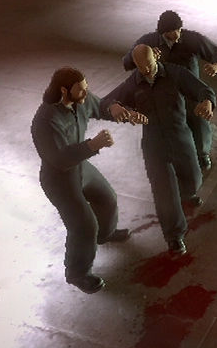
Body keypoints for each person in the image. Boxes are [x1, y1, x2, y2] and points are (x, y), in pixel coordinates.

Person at [31, 67, 141, 294]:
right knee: (83, 226)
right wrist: (93, 145)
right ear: (64, 90)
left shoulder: (80, 99)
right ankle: (77, 274)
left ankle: (106, 234)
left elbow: (99, 105)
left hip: (81, 168)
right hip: (59, 180)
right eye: (80, 89)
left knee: (108, 198)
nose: (86, 93)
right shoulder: (45, 120)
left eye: (86, 88)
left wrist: (115, 108)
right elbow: (59, 159)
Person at [101, 45, 216, 256]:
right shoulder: (134, 83)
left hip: (180, 137)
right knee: (164, 193)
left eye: (149, 64)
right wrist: (117, 108)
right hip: (154, 144)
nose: (146, 70)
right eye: (141, 67)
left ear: (155, 57)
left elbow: (202, 89)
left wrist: (207, 102)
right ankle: (174, 236)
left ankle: (185, 194)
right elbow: (106, 102)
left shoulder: (175, 74)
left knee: (193, 180)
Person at [123, 10, 217, 170]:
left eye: (179, 30)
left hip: (189, 90)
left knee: (199, 122)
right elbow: (127, 62)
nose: (177, 35)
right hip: (162, 92)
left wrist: (216, 65)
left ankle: (202, 154)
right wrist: (146, 56)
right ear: (163, 32)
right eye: (172, 32)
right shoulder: (149, 41)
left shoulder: (192, 39)